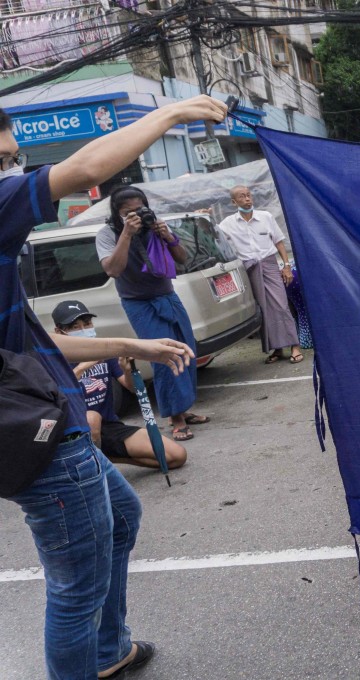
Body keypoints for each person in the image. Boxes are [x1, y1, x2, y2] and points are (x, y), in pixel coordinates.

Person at [0, 95, 226, 679]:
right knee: (76, 587)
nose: (11, 172)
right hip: (43, 437)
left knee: (121, 515)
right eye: (1, 160)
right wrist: (172, 114)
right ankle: (93, 659)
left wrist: (132, 346)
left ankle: (109, 652)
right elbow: (85, 169)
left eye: (13, 159)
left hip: (51, 422)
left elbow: (32, 346)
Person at [96, 185, 211, 442]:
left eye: (140, 210)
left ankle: (183, 408)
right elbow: (113, 269)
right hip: (139, 304)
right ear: (117, 214)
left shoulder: (155, 226)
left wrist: (168, 237)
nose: (136, 216)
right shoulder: (107, 234)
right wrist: (126, 233)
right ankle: (176, 419)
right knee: (164, 356)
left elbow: (182, 259)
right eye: (128, 213)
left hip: (168, 297)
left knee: (186, 352)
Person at [51, 300, 187, 470]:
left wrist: (127, 370)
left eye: (87, 324)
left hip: (110, 426)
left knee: (176, 456)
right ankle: (94, 471)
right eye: (75, 327)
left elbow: (132, 388)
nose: (84, 330)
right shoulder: (53, 358)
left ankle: (109, 459)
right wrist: (83, 366)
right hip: (76, 429)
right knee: (92, 417)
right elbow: (54, 396)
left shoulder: (103, 350)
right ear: (59, 331)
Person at [215, 185, 302, 364]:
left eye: (248, 195)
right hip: (249, 269)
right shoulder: (228, 224)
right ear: (234, 202)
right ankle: (277, 349)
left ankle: (294, 346)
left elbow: (279, 242)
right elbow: (215, 236)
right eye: (242, 196)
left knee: (281, 305)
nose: (247, 199)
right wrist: (206, 216)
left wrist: (286, 266)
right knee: (263, 309)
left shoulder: (265, 217)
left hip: (269, 264)